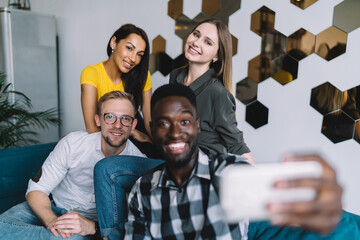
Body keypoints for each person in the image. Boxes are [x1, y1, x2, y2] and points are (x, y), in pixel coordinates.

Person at [124, 83, 360, 239]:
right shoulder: (142, 190)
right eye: (164, 123)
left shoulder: (233, 171)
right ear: (153, 130)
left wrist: (323, 207)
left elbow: (293, 205)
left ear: (197, 126)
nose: (175, 133)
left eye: (184, 122)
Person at [0, 91, 144, 240]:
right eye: (110, 117)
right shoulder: (73, 143)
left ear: (133, 124)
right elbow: (37, 190)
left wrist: (92, 227)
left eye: (125, 119)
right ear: (98, 120)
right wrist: (52, 222)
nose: (117, 125)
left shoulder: (139, 163)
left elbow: (134, 222)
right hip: (52, 208)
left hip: (93, 225)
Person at [169, 18, 254, 164]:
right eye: (196, 34)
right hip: (175, 156)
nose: (196, 42)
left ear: (216, 56)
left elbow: (236, 145)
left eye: (208, 42)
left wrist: (258, 183)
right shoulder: (176, 76)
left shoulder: (218, 94)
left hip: (202, 166)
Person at [81, 23, 153, 146]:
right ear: (114, 42)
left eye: (139, 54)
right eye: (129, 48)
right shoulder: (91, 73)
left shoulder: (143, 75)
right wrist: (132, 132)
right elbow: (92, 129)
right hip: (108, 133)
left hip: (135, 126)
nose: (133, 58)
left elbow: (149, 120)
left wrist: (156, 143)